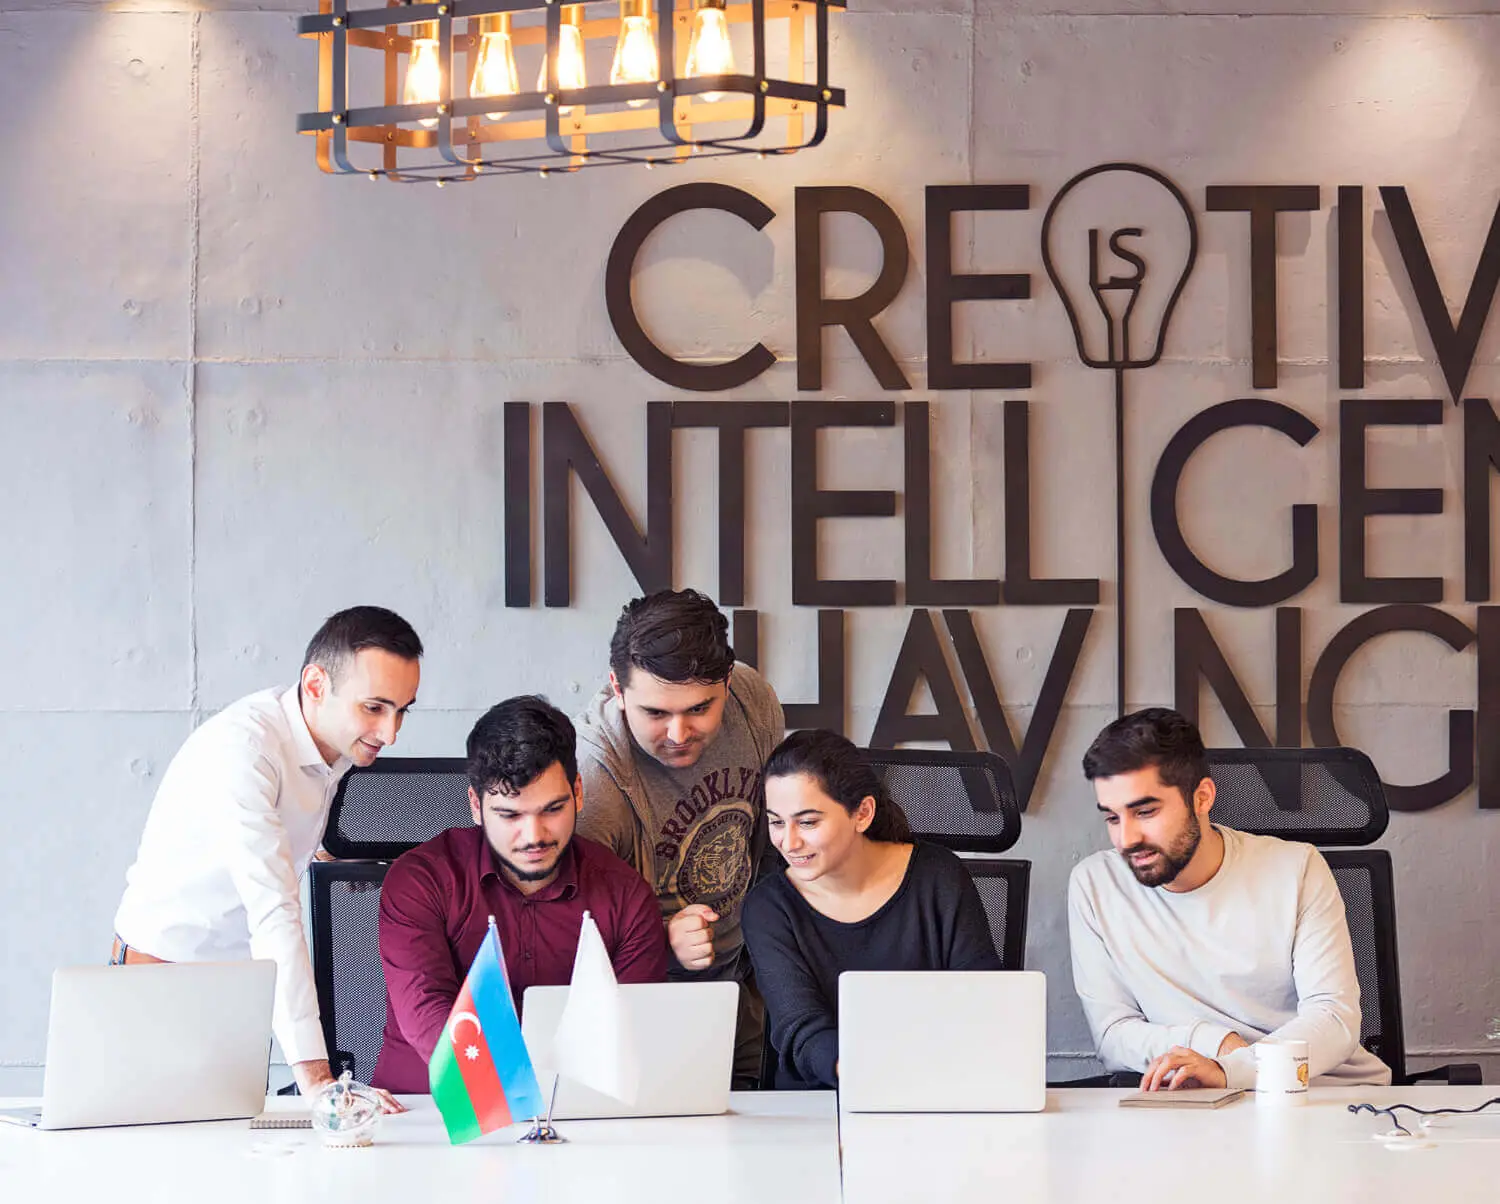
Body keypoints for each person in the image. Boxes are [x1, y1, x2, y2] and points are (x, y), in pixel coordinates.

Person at [112, 605, 423, 1108]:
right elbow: (274, 911)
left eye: (402, 710)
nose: (391, 733)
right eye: (374, 708)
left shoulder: (334, 742)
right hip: (161, 984)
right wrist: (319, 1080)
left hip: (238, 991)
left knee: (236, 1149)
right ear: (316, 685)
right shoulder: (246, 749)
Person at [1069, 707, 1391, 1091]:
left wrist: (1231, 1070)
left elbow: (1334, 1019)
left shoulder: (1296, 868)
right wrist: (1215, 1044)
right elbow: (1113, 1035)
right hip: (1195, 1101)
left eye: (1146, 811)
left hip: (1322, 1093)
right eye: (1112, 818)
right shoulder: (1096, 884)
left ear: (1202, 797)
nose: (1127, 839)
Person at [373, 695, 670, 1093]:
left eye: (552, 809)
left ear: (578, 792)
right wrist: (518, 1098)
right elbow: (428, 1013)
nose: (534, 836)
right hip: (425, 1111)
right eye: (510, 815)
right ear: (475, 805)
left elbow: (625, 1040)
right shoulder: (421, 881)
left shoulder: (626, 897)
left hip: (574, 1111)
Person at [575, 588, 784, 1081]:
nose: (678, 733)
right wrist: (661, 937)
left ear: (727, 683)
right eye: (655, 713)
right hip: (642, 1001)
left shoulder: (752, 700)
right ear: (617, 688)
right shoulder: (593, 780)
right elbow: (571, 937)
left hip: (743, 976)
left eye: (698, 709)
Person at [741, 730, 1002, 1089]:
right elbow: (800, 1026)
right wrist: (865, 1071)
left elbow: (983, 997)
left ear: (862, 813)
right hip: (819, 1102)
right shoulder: (768, 907)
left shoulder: (938, 875)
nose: (788, 842)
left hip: (935, 1088)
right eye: (776, 822)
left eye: (808, 822)